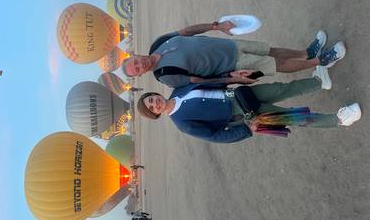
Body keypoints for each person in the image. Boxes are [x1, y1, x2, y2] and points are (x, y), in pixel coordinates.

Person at [136, 75, 361, 144]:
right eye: (152, 107)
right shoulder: (182, 123)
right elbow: (216, 136)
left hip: (239, 94)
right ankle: (339, 120)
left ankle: (318, 81)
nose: (155, 103)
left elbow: (209, 84)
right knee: (294, 117)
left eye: (152, 99)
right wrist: (247, 129)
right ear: (155, 114)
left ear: (155, 95)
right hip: (245, 114)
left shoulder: (178, 91)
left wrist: (234, 80)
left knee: (281, 88)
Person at [122, 22, 344, 89]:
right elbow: (200, 82)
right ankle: (321, 61)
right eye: (137, 69)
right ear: (141, 75)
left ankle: (307, 52)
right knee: (275, 64)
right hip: (233, 64)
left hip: (229, 45)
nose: (140, 64)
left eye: (135, 62)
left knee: (270, 50)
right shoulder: (165, 76)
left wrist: (216, 26)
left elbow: (187, 32)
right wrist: (234, 78)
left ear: (135, 55)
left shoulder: (158, 43)